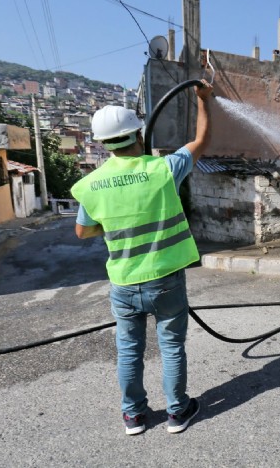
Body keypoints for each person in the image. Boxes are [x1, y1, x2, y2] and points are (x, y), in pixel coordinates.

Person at [71, 82, 213, 435]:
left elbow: (83, 232)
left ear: (101, 143)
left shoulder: (91, 184)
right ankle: (178, 413)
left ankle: (134, 416)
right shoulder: (163, 169)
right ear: (138, 133)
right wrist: (203, 101)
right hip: (165, 280)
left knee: (129, 350)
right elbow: (201, 142)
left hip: (123, 283)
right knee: (170, 346)